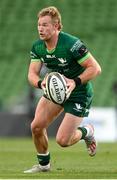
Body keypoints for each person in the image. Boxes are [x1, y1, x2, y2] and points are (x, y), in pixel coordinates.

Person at [24, 6, 101, 173]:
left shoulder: (72, 44)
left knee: (63, 141)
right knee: (36, 126)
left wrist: (74, 82)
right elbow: (31, 73)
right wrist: (40, 83)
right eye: (39, 25)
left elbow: (95, 68)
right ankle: (44, 166)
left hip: (79, 92)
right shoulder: (37, 47)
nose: (40, 28)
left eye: (45, 25)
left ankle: (87, 131)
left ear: (56, 26)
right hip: (58, 90)